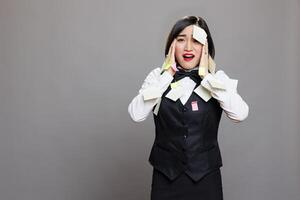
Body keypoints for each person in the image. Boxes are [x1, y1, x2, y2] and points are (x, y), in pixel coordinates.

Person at [128, 16, 249, 200]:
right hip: (165, 178)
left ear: (205, 47)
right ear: (171, 45)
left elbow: (240, 114)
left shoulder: (217, 78)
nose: (188, 48)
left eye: (196, 41)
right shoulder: (157, 77)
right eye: (181, 39)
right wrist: (167, 75)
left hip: (206, 179)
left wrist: (207, 77)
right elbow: (136, 114)